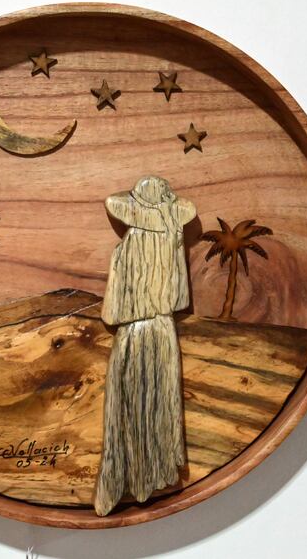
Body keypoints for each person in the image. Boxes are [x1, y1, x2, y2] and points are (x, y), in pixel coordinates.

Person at [94, 176, 196, 517]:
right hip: (164, 331)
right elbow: (180, 299)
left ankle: (129, 479)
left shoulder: (125, 250)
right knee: (160, 408)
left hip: (131, 334)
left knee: (127, 410)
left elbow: (111, 313)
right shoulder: (173, 240)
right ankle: (160, 472)